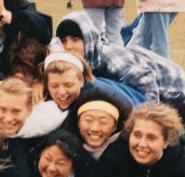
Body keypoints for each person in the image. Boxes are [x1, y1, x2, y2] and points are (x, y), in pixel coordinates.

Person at [56, 11, 185, 119]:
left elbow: (145, 80)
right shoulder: (76, 59)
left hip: (173, 91)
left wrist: (149, 118)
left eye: (75, 40)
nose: (68, 46)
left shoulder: (106, 55)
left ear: (88, 39)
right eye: (63, 41)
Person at [99, 103, 185, 177]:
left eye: (151, 137)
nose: (142, 144)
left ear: (166, 142)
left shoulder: (180, 159)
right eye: (137, 135)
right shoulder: (115, 154)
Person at [62, 88, 132, 160]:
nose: (95, 128)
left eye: (103, 122)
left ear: (114, 127)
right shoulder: (64, 148)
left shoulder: (125, 154)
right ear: (78, 123)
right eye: (88, 120)